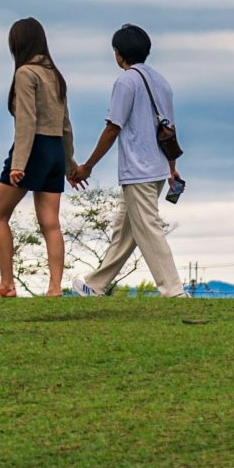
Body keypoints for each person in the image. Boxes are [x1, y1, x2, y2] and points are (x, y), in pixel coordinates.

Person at [69, 23, 185, 298]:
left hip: (138, 170)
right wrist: (172, 169)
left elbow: (113, 127)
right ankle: (95, 285)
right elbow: (169, 130)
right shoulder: (161, 82)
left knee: (148, 229)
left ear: (119, 53)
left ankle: (174, 291)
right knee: (125, 232)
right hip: (157, 168)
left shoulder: (126, 82)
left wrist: (88, 166)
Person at [0, 16, 74, 297]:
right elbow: (66, 125)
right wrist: (69, 164)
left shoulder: (25, 73)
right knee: (51, 223)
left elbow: (26, 121)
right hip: (55, 150)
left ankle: (7, 284)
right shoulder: (55, 75)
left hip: (33, 149)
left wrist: (18, 164)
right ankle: (55, 288)